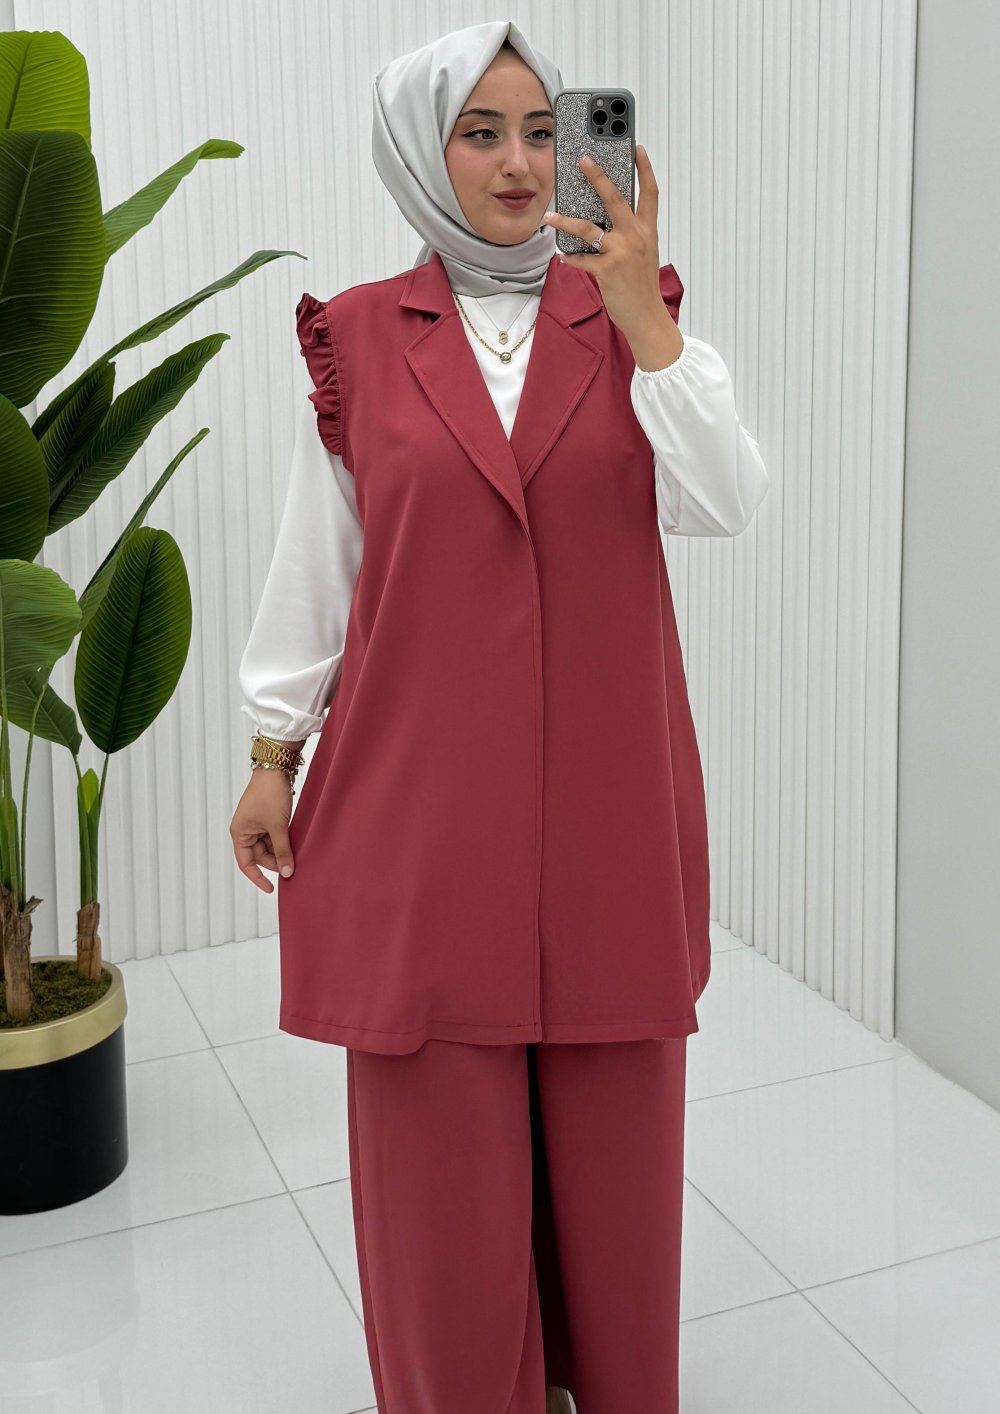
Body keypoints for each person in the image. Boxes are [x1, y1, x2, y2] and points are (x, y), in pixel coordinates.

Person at [231, 19, 768, 1414]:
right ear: (425, 151)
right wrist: (273, 750)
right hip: (423, 804)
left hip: (605, 798)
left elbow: (726, 501)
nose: (521, 163)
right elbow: (321, 561)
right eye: (481, 132)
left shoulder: (632, 320)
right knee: (438, 1143)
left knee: (614, 1121)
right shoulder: (357, 337)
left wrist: (645, 314)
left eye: (543, 130)